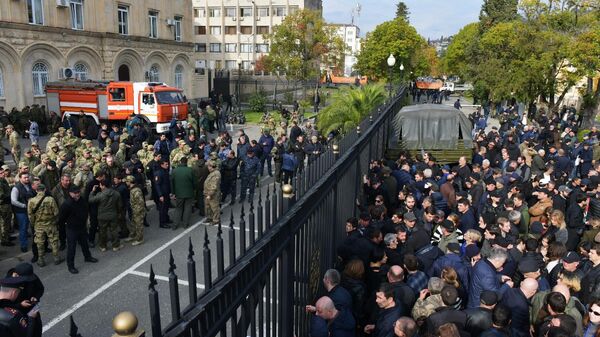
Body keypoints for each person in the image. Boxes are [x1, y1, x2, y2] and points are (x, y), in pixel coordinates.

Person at [58, 185, 98, 274]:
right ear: (70, 193)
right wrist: (64, 228)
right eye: (75, 193)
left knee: (84, 244)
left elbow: (86, 209)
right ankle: (71, 266)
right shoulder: (66, 204)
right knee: (72, 248)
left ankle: (87, 257)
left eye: (78, 192)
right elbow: (61, 219)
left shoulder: (82, 200)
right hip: (72, 229)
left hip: (82, 227)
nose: (77, 194)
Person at [27, 184, 63, 267]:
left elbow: (30, 215)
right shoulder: (50, 199)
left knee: (40, 243)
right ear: (45, 190)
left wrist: (33, 224)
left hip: (39, 225)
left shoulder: (31, 201)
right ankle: (56, 258)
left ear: (36, 190)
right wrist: (55, 221)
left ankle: (41, 260)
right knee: (54, 241)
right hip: (50, 224)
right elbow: (56, 213)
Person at [88, 178, 122, 252]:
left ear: (103, 186)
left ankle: (103, 246)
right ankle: (115, 246)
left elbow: (90, 200)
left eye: (100, 185)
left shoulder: (100, 195)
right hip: (113, 215)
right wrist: (118, 213)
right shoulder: (116, 193)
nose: (100, 186)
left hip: (102, 216)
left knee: (102, 232)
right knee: (114, 231)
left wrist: (92, 192)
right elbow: (119, 206)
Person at [11, 172, 35, 254]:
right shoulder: (16, 188)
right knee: (23, 228)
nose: (27, 179)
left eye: (27, 177)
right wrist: (24, 206)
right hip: (21, 212)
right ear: (20, 178)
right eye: (25, 178)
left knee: (33, 227)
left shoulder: (29, 185)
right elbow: (13, 201)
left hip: (31, 210)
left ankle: (36, 243)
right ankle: (23, 245)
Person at [170, 157, 195, 230]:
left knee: (178, 208)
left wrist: (173, 192)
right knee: (187, 208)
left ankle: (175, 224)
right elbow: (194, 182)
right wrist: (193, 189)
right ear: (186, 162)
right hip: (189, 192)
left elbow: (172, 183)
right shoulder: (190, 170)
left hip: (179, 193)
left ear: (180, 162)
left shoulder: (174, 171)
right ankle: (185, 224)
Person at [124, 175, 145, 245]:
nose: (126, 183)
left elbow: (141, 202)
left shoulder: (136, 190)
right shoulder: (132, 189)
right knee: (133, 224)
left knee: (139, 225)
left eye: (127, 181)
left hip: (138, 211)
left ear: (130, 182)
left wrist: (137, 211)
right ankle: (132, 236)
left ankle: (140, 239)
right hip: (134, 210)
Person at [154, 160, 172, 228]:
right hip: (162, 194)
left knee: (166, 207)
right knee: (162, 209)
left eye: (167, 164)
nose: (167, 165)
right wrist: (160, 195)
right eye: (166, 164)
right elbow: (157, 185)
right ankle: (162, 223)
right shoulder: (158, 173)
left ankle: (166, 219)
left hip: (166, 193)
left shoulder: (165, 171)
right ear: (161, 165)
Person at [204, 160, 221, 226]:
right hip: (208, 193)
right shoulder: (212, 172)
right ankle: (209, 217)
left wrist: (210, 194)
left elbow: (214, 185)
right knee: (208, 207)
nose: (208, 168)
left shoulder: (216, 174)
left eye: (208, 166)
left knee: (214, 207)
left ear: (211, 166)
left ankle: (216, 220)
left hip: (213, 194)